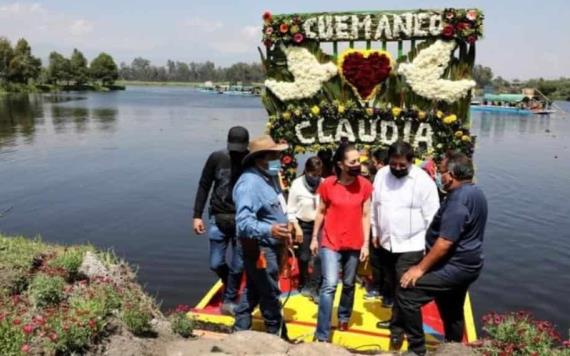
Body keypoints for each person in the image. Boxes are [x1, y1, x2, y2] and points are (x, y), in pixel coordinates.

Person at [398, 152, 488, 355]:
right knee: (452, 309)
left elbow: (445, 242)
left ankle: (417, 350)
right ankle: (452, 348)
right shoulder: (476, 193)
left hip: (454, 266)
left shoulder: (457, 201)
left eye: (441, 172)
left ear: (452, 175)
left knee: (407, 293)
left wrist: (419, 269)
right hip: (469, 264)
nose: (439, 175)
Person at [370, 141, 439, 344]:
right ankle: (395, 319)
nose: (398, 169)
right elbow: (375, 206)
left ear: (411, 162)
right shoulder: (382, 175)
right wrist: (375, 230)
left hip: (412, 244)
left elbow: (432, 217)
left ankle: (398, 332)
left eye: (403, 165)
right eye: (394, 164)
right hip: (386, 241)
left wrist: (428, 249)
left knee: (404, 289)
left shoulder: (423, 181)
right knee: (390, 284)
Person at [311, 142, 373, 342]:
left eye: (359, 161)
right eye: (353, 161)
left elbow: (366, 215)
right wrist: (314, 237)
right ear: (341, 164)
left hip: (354, 242)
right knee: (329, 285)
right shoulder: (328, 184)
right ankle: (322, 334)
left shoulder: (364, 185)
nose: (358, 165)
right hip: (330, 241)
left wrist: (365, 244)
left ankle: (344, 316)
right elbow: (320, 212)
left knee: (348, 283)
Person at [232, 135, 290, 338]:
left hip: (274, 246)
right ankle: (277, 336)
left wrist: (291, 225)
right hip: (260, 248)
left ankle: (239, 330)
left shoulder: (271, 175)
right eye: (275, 155)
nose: (280, 159)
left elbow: (280, 204)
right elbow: (244, 223)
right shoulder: (249, 184)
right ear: (260, 159)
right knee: (270, 293)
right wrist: (270, 230)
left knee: (254, 290)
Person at [193, 126, 249, 315]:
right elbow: (204, 185)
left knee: (239, 264)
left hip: (242, 220)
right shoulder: (216, 158)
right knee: (216, 263)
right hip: (218, 217)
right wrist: (196, 215)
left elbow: (271, 174)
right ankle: (230, 281)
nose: (236, 153)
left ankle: (230, 299)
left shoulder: (251, 160)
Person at [287, 156, 323, 300]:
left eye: (318, 174)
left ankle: (315, 287)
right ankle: (304, 281)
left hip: (320, 225)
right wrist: (296, 226)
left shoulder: (324, 184)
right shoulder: (297, 185)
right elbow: (290, 209)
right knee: (304, 257)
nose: (316, 177)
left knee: (318, 257)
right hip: (304, 224)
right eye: (313, 174)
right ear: (307, 171)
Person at [365, 148, 388, 300]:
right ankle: (381, 287)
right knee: (379, 259)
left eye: (374, 163)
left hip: (383, 225)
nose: (372, 165)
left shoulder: (383, 179)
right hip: (378, 225)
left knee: (382, 260)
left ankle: (382, 289)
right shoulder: (378, 178)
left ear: (380, 164)